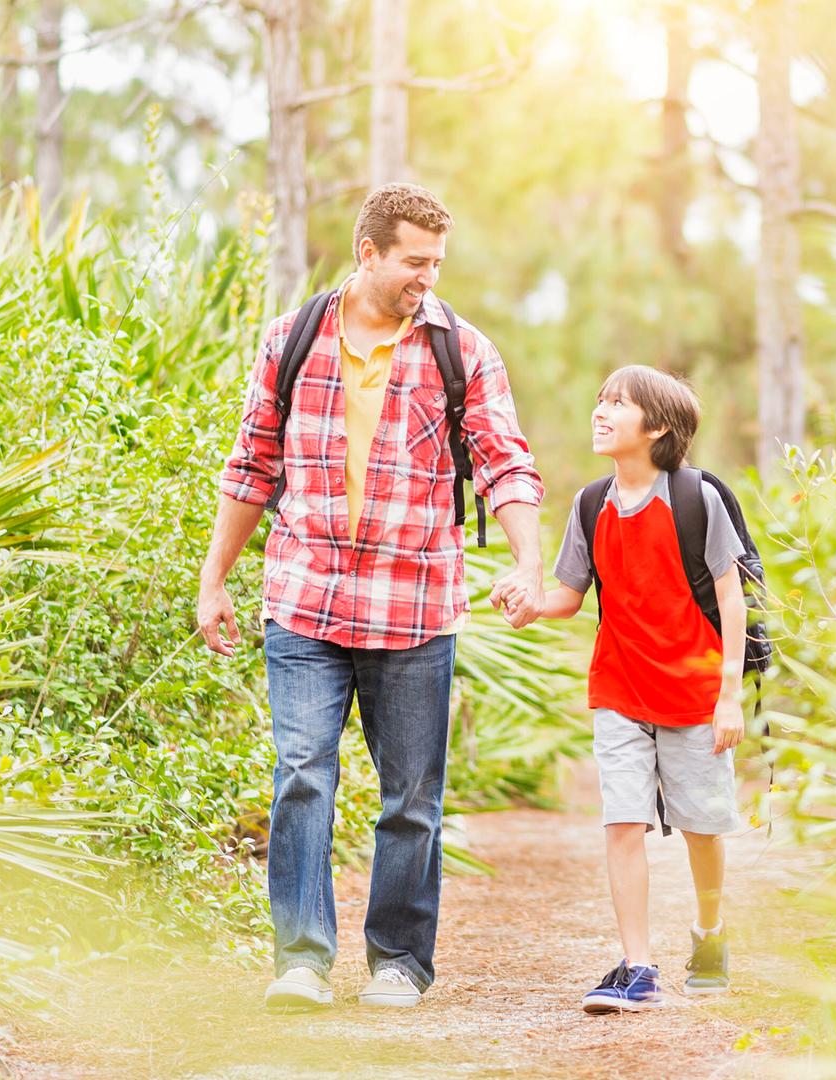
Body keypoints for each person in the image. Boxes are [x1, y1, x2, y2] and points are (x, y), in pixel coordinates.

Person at [196, 183, 547, 1012]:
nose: (427, 278)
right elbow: (251, 467)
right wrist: (215, 577)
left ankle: (398, 961)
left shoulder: (463, 350)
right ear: (369, 253)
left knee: (412, 798)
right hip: (306, 597)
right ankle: (302, 960)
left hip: (413, 606)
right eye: (414, 263)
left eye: (437, 263)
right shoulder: (292, 338)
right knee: (302, 778)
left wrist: (528, 562)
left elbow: (506, 463)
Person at [504, 365, 745, 1012]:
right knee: (622, 822)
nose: (601, 411)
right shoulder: (590, 503)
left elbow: (731, 595)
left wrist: (730, 693)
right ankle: (638, 966)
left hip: (694, 690)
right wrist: (531, 605)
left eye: (619, 403)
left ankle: (710, 933)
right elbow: (569, 596)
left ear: (658, 426)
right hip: (618, 686)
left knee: (701, 827)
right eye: (600, 399)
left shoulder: (696, 499)